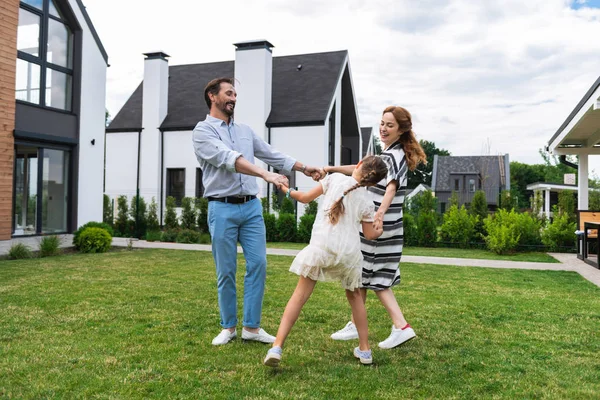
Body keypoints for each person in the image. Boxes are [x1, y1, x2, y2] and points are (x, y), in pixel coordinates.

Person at [192, 77, 323, 346]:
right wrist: (267, 176)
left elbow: (270, 153)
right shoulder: (202, 132)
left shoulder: (244, 130)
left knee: (259, 265)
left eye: (235, 94)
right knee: (226, 270)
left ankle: (251, 327)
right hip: (222, 207)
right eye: (229, 93)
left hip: (251, 208)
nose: (233, 98)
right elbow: (230, 159)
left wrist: (302, 167)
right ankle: (228, 328)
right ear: (212, 96)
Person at [263, 155, 388, 368]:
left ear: (357, 165)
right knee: (356, 297)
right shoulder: (367, 201)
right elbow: (369, 235)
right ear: (373, 183)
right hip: (348, 254)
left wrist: (285, 189)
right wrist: (380, 227)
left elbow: (303, 198)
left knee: (300, 295)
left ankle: (277, 346)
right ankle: (365, 350)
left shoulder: (334, 179)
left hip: (322, 246)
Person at [325, 106, 427, 349]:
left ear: (401, 130)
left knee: (377, 276)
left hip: (381, 224)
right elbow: (359, 169)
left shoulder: (393, 156)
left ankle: (401, 326)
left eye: (390, 125)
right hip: (385, 224)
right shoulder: (392, 153)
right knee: (364, 272)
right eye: (382, 123)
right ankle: (355, 323)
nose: (383, 128)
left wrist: (380, 212)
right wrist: (332, 169)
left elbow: (391, 186)